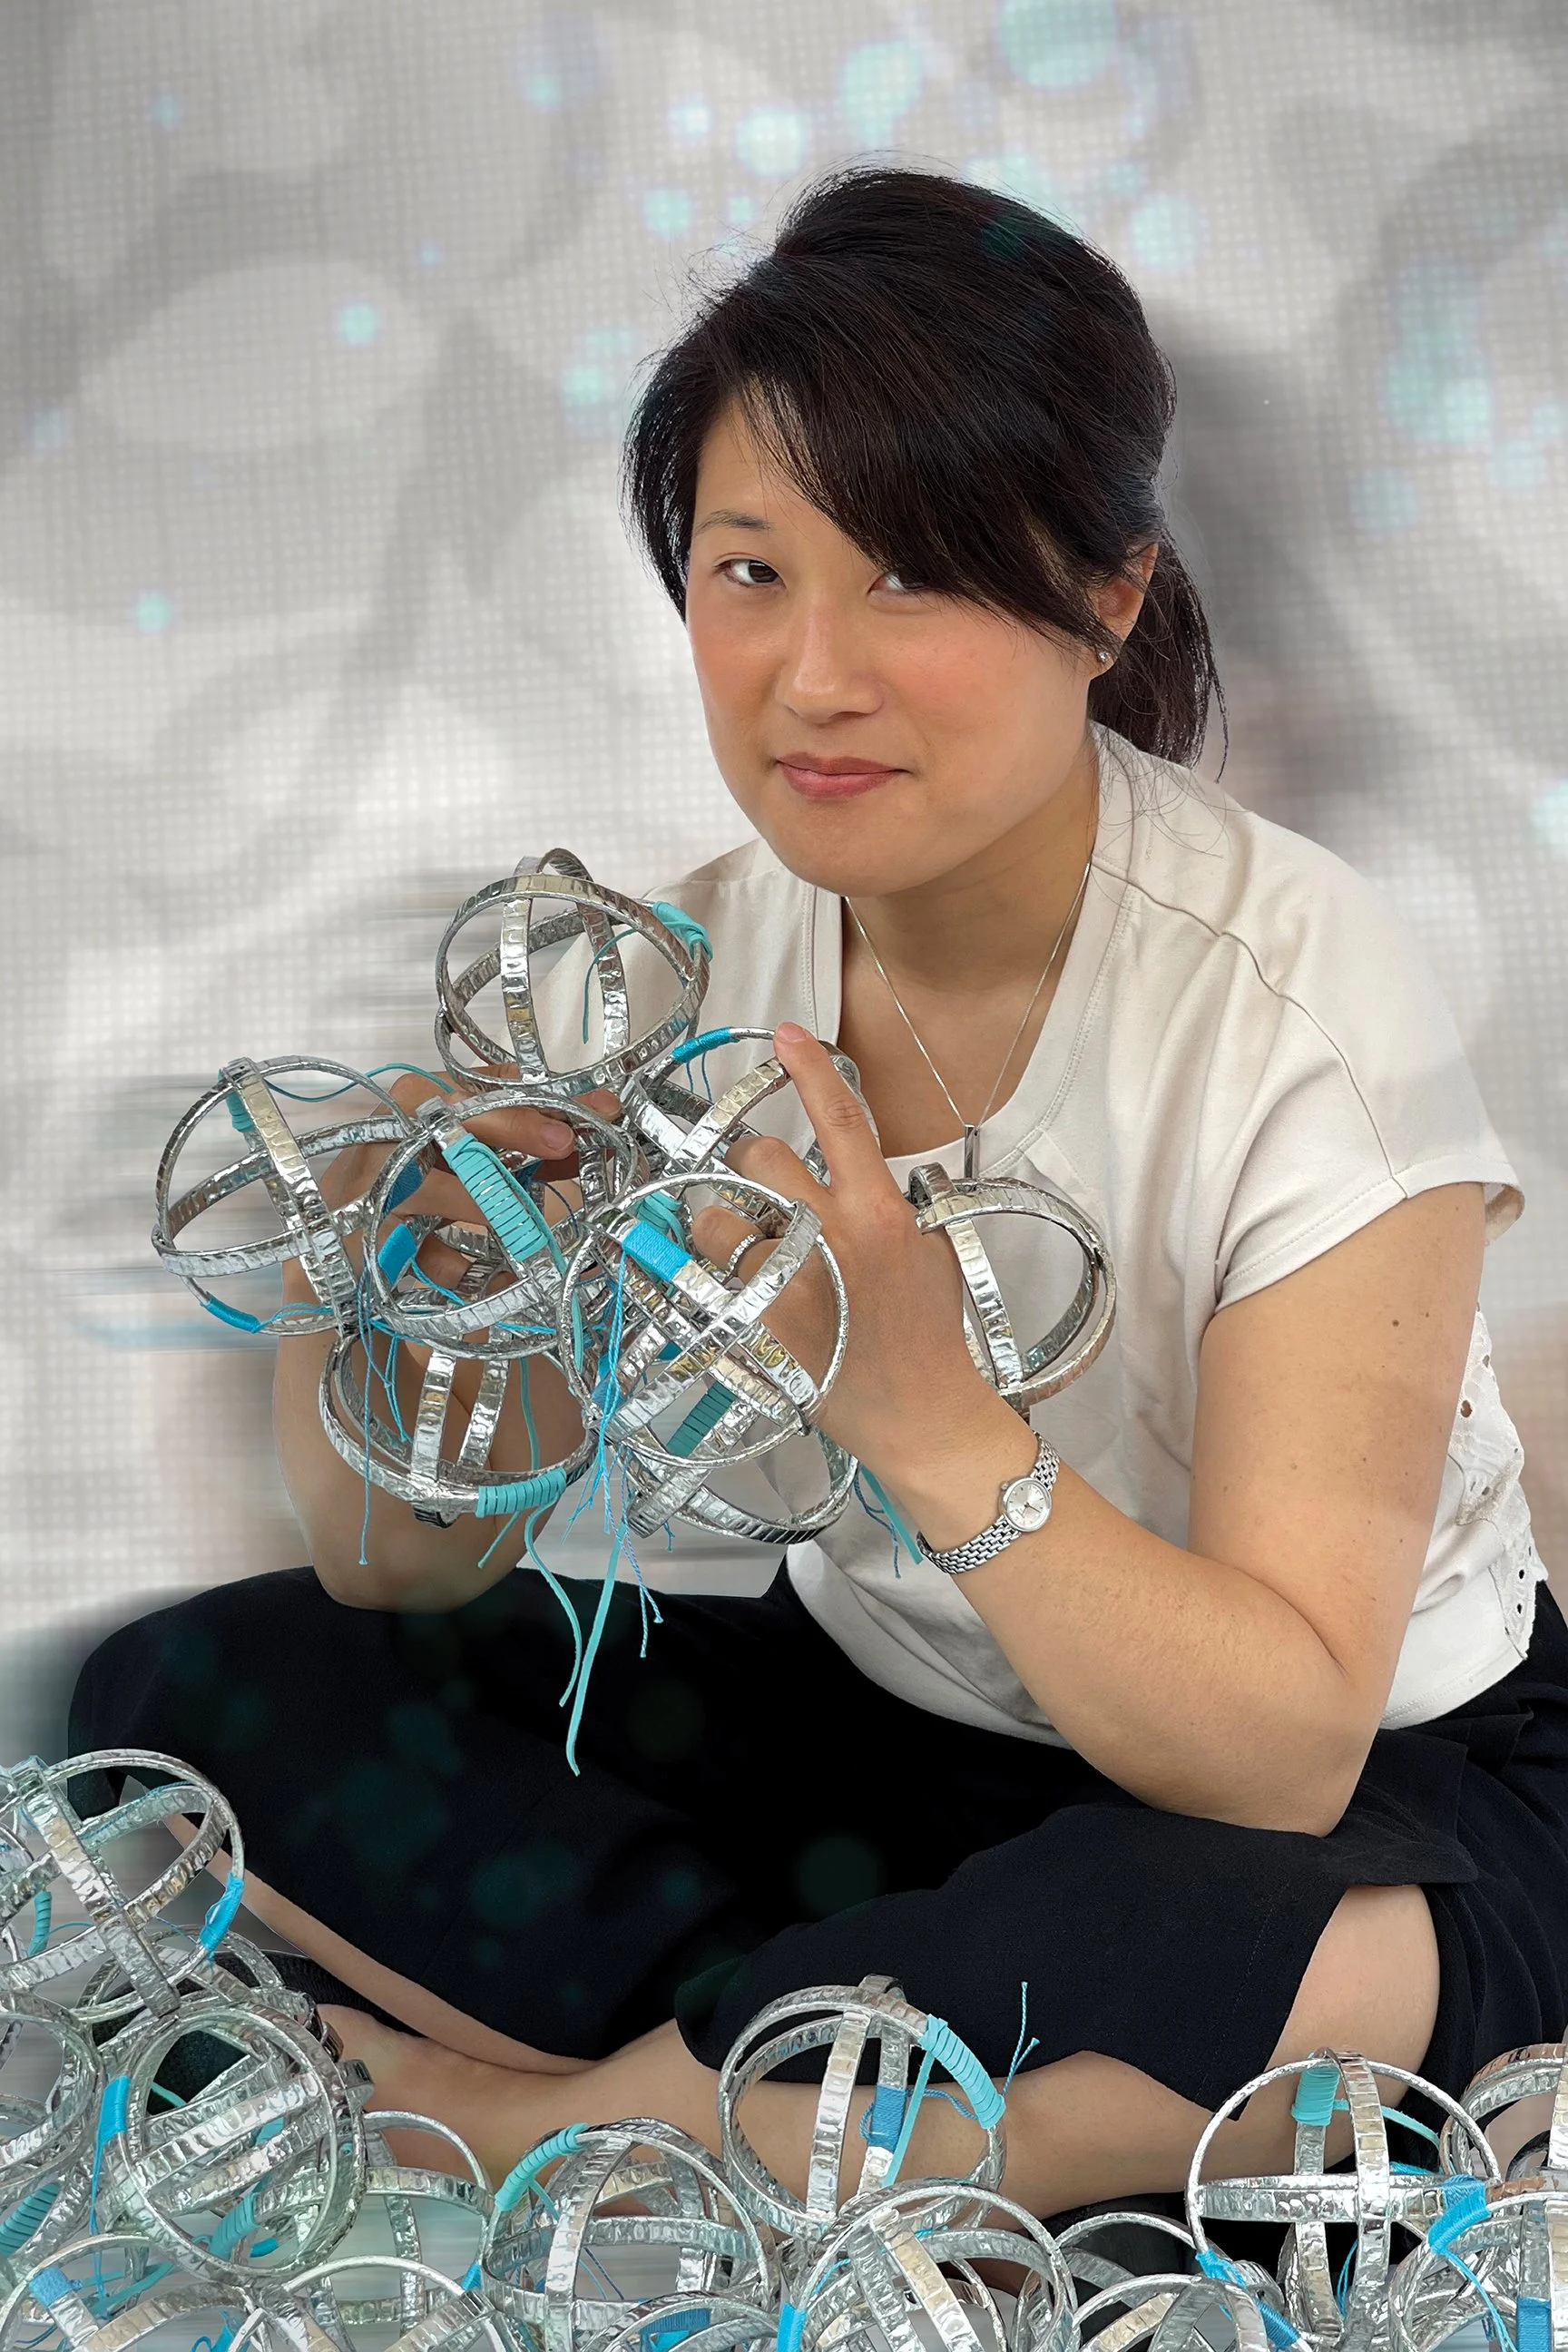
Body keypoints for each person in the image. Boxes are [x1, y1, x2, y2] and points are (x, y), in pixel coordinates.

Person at [73, 163, 1568, 2220]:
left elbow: (1285, 1748)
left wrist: (923, 1411)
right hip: (887, 1747)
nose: (811, 677)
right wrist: (413, 1280)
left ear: (1111, 596)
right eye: (751, 572)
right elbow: (396, 1571)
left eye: (914, 579)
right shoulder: (669, 976)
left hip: (1341, 1797)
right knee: (188, 1704)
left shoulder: (1305, 1000)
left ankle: (554, 2121)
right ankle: (858, 2078)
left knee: (1258, 1946)